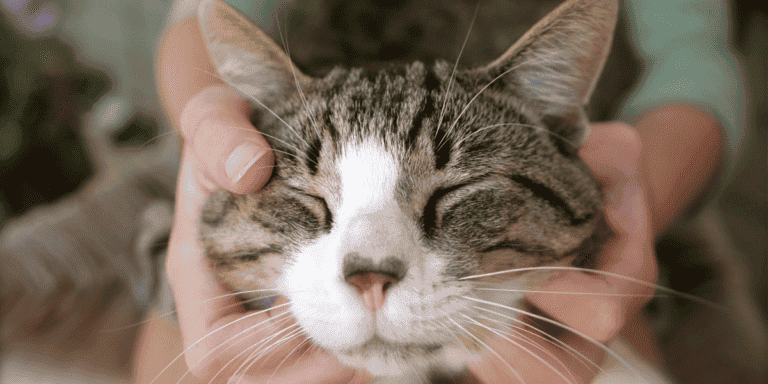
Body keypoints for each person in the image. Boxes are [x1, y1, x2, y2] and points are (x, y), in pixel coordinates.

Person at [138, 0, 740, 382]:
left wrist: (628, 210)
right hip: (286, 122)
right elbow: (203, 15)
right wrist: (208, 128)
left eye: (451, 195)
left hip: (597, 152)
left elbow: (692, 62)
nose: (372, 274)